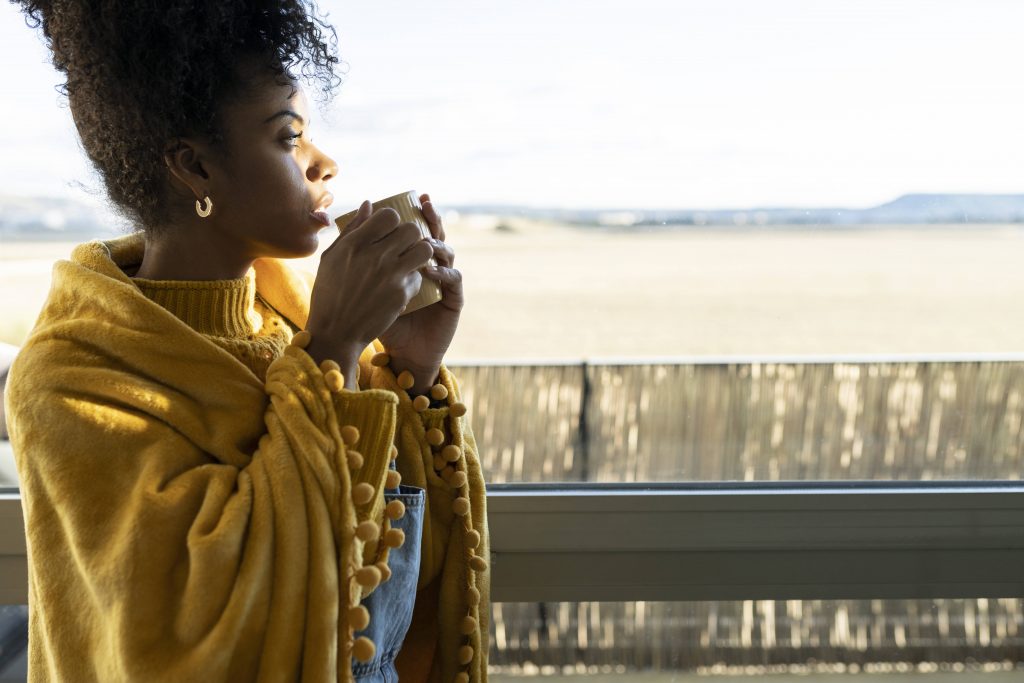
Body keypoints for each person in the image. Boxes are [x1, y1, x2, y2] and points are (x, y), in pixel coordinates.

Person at [4, 1, 490, 682]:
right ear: (194, 168)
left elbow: (393, 588)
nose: (324, 163)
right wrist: (332, 347)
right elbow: (187, 641)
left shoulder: (295, 324)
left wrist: (406, 367)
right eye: (289, 138)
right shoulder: (71, 378)